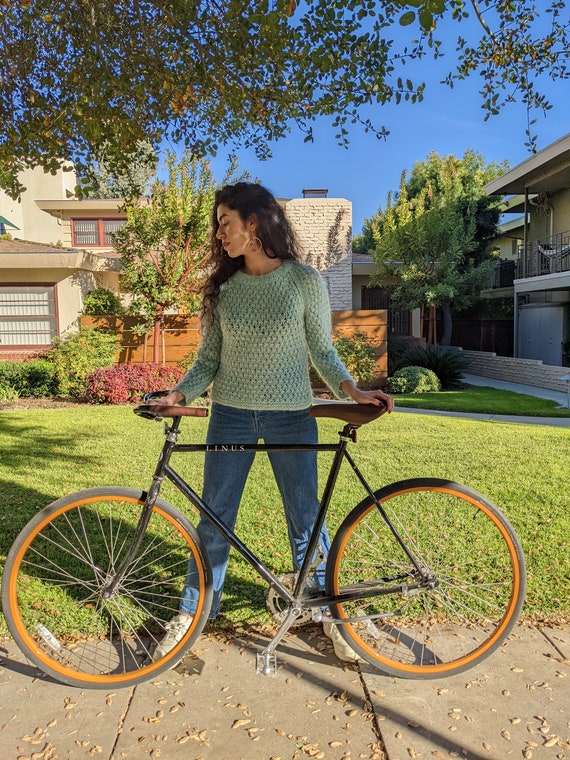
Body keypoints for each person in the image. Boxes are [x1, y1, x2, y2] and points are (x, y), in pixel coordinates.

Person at [151, 182, 393, 663]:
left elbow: (322, 351)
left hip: (292, 416)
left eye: (225, 222)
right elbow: (208, 360)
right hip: (231, 416)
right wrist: (180, 391)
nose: (219, 233)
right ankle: (193, 614)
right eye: (217, 224)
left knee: (306, 520)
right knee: (214, 520)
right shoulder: (221, 290)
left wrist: (354, 391)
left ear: (254, 223)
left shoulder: (304, 280)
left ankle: (326, 612)